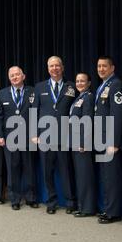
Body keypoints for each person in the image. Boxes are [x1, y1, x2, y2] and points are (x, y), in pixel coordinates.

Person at [32, 56, 77, 214]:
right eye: (51, 66)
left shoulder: (71, 86)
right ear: (48, 68)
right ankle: (51, 202)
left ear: (62, 67)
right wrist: (34, 134)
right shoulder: (39, 87)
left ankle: (70, 201)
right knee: (47, 172)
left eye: (57, 65)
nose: (54, 68)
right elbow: (34, 111)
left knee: (66, 171)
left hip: (65, 137)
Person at [0, 67, 38, 210]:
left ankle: (31, 198)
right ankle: (15, 199)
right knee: (12, 170)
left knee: (29, 168)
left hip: (28, 138)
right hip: (10, 138)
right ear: (9, 78)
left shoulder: (32, 91)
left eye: (17, 74)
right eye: (12, 75)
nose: (14, 77)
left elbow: (36, 113)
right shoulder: (1, 94)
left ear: (23, 76)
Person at [94, 56, 122, 224]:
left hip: (109, 140)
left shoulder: (116, 85)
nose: (101, 69)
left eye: (104, 66)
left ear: (112, 68)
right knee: (106, 175)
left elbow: (117, 114)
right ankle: (107, 208)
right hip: (101, 138)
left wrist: (114, 142)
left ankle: (113, 212)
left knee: (112, 177)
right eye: (99, 66)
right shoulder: (103, 86)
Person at [69, 72, 97, 217]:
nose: (79, 83)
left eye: (82, 81)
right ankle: (82, 205)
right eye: (77, 81)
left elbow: (87, 121)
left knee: (85, 176)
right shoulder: (78, 98)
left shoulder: (88, 98)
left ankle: (88, 208)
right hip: (75, 143)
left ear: (89, 83)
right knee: (80, 176)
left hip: (82, 144)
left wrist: (83, 142)